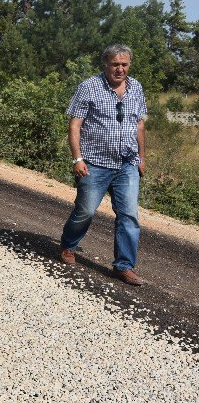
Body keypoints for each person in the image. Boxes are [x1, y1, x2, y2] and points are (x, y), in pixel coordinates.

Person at [59, 44, 146, 286]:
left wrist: (142, 157)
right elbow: (75, 125)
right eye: (115, 64)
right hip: (94, 163)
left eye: (124, 64)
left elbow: (139, 125)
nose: (120, 69)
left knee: (129, 215)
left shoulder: (136, 88)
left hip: (127, 163)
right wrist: (77, 158)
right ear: (105, 65)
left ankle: (124, 266)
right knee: (85, 210)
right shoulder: (89, 87)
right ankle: (68, 244)